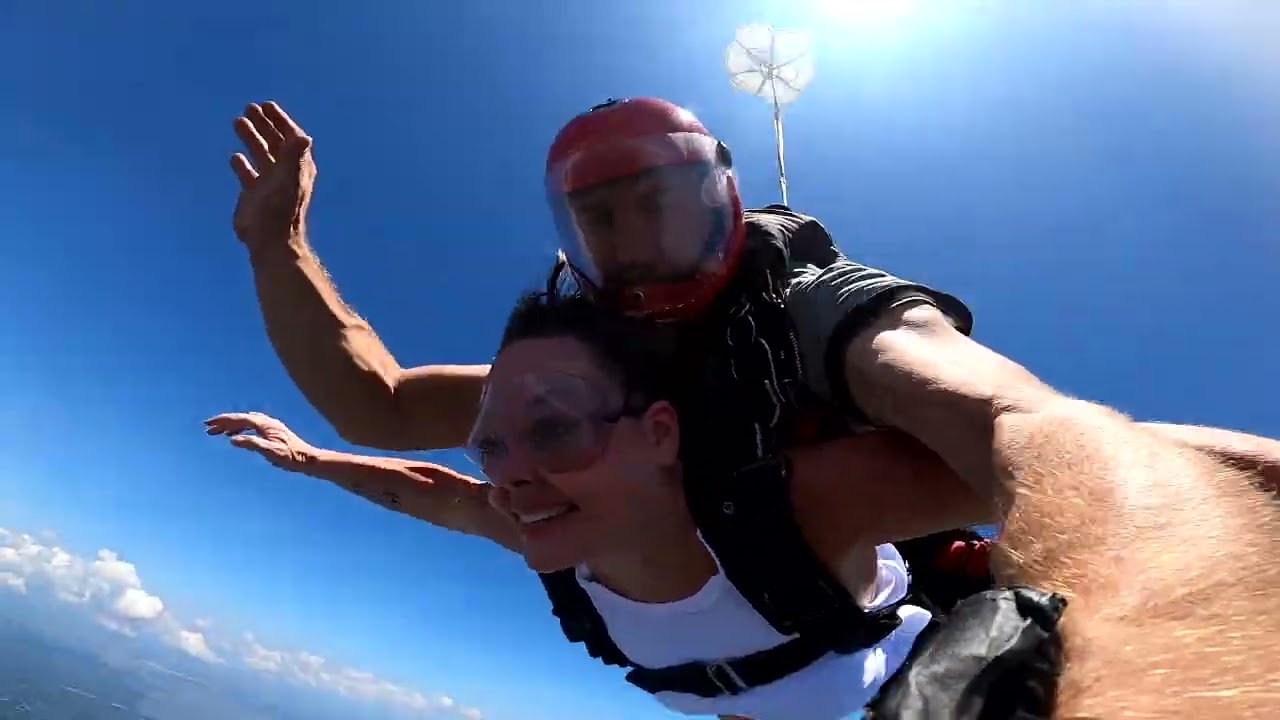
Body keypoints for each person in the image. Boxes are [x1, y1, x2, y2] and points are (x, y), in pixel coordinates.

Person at [227, 99, 1280, 716]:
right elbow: (387, 424)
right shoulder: (564, 443)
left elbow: (1037, 434)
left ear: (723, 203)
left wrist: (1141, 656)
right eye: (602, 218)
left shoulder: (825, 337)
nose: (635, 241)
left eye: (660, 202)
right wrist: (276, 248)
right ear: (571, 241)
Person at [208, 290, 993, 720]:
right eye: (493, 445)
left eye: (553, 430)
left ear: (659, 434)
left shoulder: (797, 510)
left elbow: (1031, 460)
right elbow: (430, 490)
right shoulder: (564, 545)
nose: (510, 476)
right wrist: (310, 459)